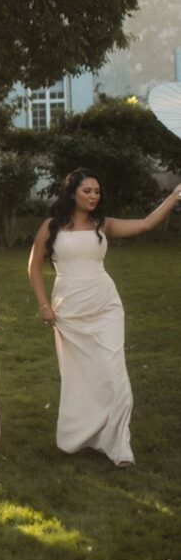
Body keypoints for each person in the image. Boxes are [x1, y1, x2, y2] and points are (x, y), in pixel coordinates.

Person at [28, 168, 181, 468]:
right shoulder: (52, 226)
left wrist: (175, 195)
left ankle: (119, 443)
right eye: (87, 191)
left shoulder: (104, 224)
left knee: (114, 373)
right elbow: (34, 267)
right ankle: (87, 433)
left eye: (97, 191)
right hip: (69, 309)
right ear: (72, 192)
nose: (93, 196)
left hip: (105, 305)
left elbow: (147, 224)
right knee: (81, 376)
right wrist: (43, 304)